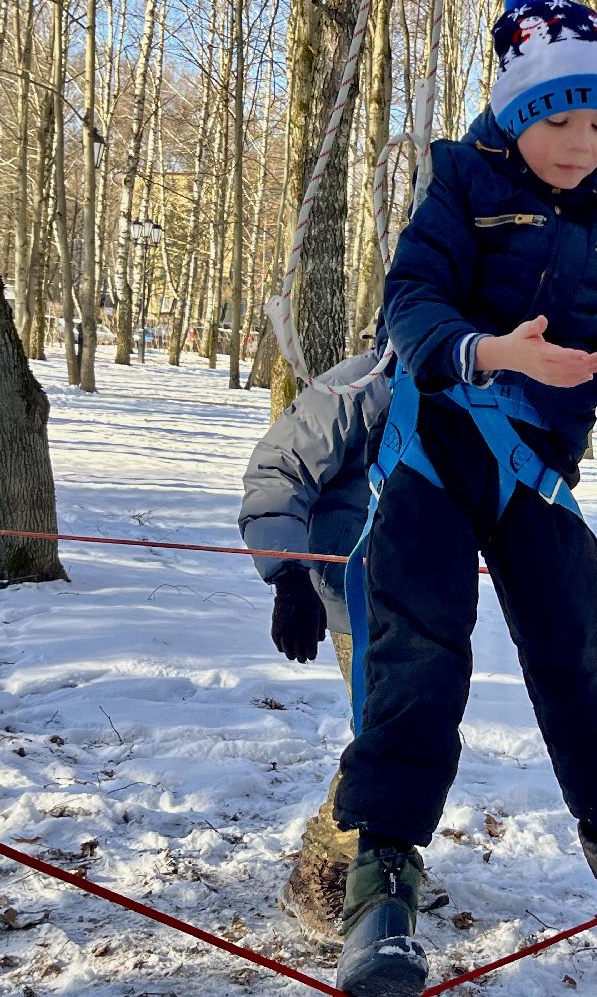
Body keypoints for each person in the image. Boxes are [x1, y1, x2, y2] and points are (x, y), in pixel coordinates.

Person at [331, 0, 597, 997]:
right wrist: (488, 353)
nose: (580, 137)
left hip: (540, 473)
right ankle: (383, 865)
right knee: (418, 647)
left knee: (582, 641)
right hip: (436, 450)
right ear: (517, 116)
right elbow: (410, 304)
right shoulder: (463, 184)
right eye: (559, 116)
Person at [238, 348, 390, 944]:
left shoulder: (480, 380)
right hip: (352, 591)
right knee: (387, 735)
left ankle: (381, 865)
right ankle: (323, 869)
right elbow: (278, 469)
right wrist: (288, 574)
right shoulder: (366, 383)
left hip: (428, 595)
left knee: (420, 732)